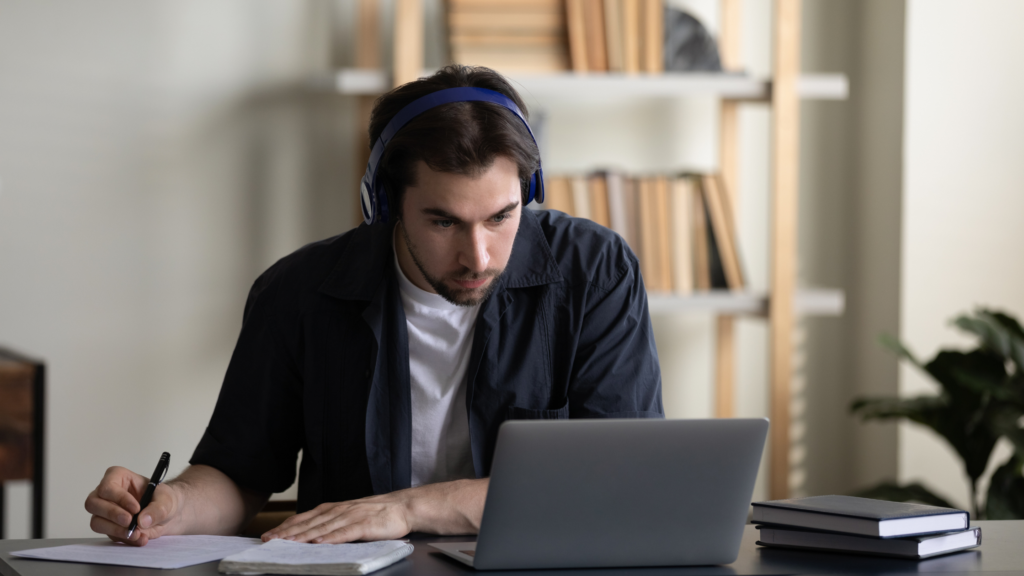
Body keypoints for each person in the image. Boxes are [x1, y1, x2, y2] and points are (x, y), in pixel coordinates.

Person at [85, 65, 663, 547]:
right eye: (443, 221)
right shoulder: (297, 292)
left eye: (501, 216)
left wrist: (408, 509)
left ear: (528, 194)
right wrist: (171, 505)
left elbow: (619, 480)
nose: (478, 256)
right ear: (383, 203)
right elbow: (240, 475)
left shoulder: (596, 271)